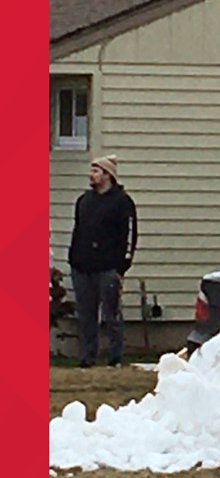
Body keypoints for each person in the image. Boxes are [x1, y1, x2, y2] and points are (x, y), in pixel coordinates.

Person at [68, 155, 138, 368]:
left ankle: (115, 357)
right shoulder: (84, 201)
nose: (92, 175)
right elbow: (78, 229)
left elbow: (130, 234)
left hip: (108, 267)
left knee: (112, 314)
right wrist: (73, 257)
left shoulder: (122, 202)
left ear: (108, 175)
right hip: (82, 266)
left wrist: (122, 265)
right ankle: (88, 357)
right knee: (87, 315)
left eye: (96, 171)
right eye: (92, 170)